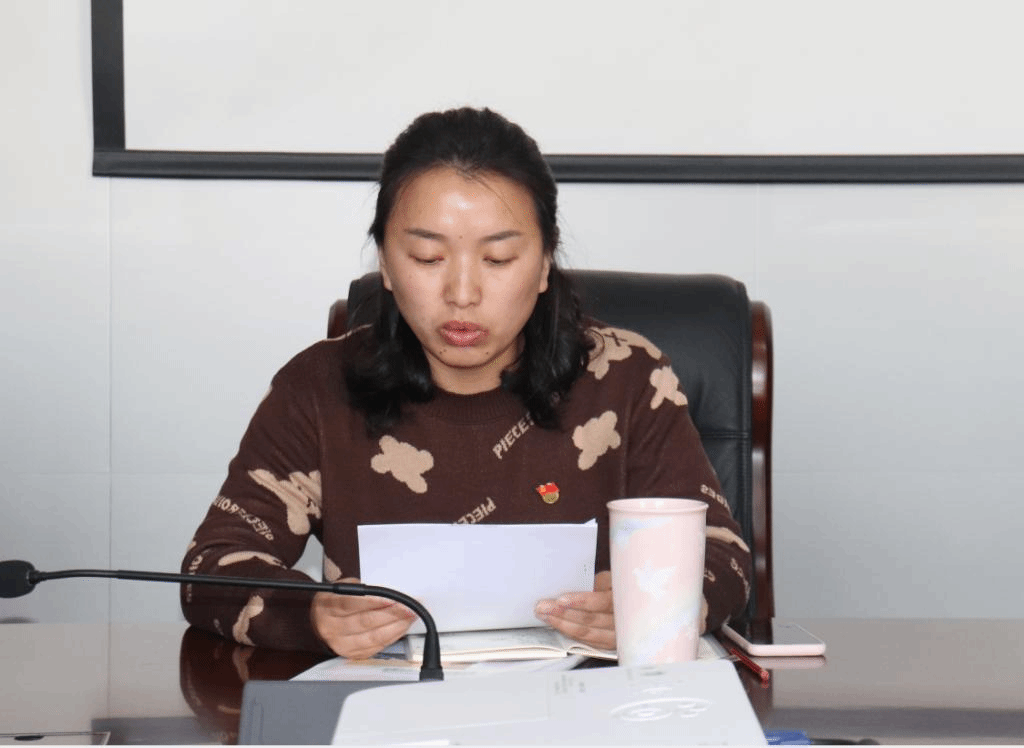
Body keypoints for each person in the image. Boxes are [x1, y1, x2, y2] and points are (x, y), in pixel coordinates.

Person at [180, 107, 752, 658]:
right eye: (427, 258)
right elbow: (211, 568)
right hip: (392, 706)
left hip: (581, 702)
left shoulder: (626, 378)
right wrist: (311, 616)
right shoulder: (321, 387)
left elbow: (724, 559)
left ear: (545, 262)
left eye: (498, 259)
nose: (462, 294)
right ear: (385, 262)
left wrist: (653, 606)